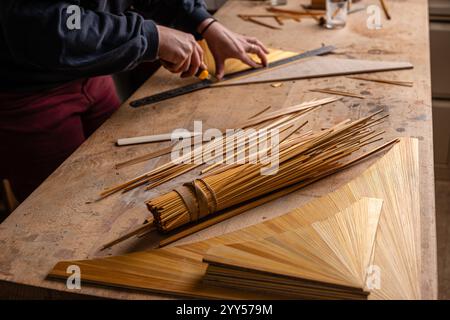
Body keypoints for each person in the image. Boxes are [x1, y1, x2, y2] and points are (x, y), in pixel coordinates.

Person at [0, 0, 268, 202]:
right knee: (60, 207)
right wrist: (151, 37)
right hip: (28, 94)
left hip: (92, 71)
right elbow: (47, 27)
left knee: (120, 182)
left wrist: (203, 23)